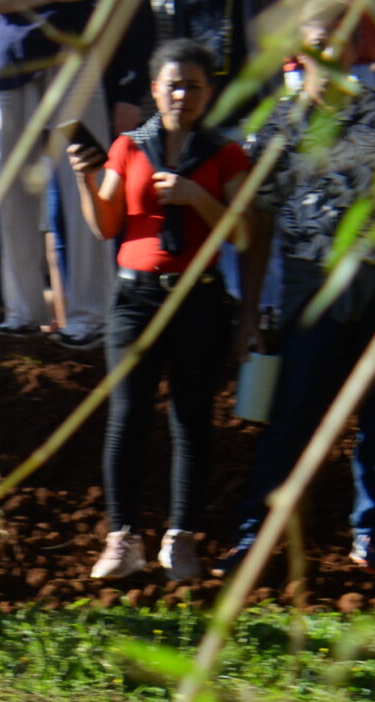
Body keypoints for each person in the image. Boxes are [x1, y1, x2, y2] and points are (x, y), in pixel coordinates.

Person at [229, 0, 375, 575]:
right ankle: (257, 536)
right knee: (293, 412)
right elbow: (258, 224)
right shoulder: (276, 128)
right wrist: (250, 311)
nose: (331, 53)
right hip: (309, 282)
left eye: (341, 41)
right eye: (320, 42)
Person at [64, 39, 252, 583]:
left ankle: (181, 540)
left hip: (198, 298)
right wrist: (84, 178)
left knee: (191, 419)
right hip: (136, 298)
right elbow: (106, 225)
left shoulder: (225, 154)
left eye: (193, 86)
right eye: (173, 85)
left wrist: (196, 196)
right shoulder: (129, 147)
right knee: (128, 417)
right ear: (154, 89)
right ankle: (122, 538)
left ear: (209, 93)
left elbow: (243, 232)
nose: (182, 95)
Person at [0, 0, 107, 342]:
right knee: (12, 199)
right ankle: (22, 313)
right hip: (8, 63)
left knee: (85, 182)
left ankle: (91, 317)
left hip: (74, 58)